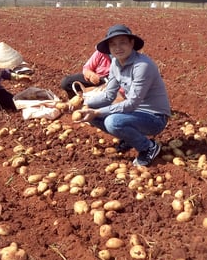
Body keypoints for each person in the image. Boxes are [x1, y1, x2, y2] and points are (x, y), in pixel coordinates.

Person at [73, 24, 171, 166]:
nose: (117, 48)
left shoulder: (142, 66)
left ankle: (149, 147)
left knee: (112, 122)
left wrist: (96, 111)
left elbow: (132, 103)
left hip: (154, 117)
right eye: (113, 44)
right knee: (91, 116)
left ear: (132, 44)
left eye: (122, 42)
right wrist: (85, 103)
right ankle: (130, 138)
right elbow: (109, 95)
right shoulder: (115, 63)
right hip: (134, 113)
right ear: (109, 48)